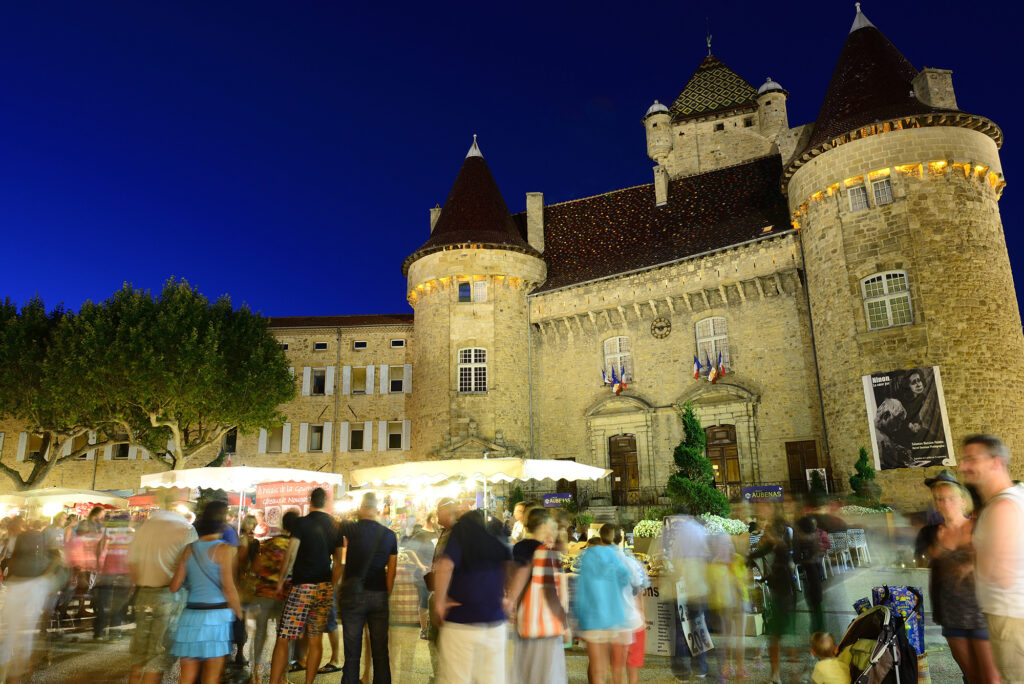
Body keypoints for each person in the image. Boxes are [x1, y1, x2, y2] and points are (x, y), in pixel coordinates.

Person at [914, 469, 999, 682]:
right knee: (971, 677)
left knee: (992, 679)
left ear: (963, 500)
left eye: (950, 498)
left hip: (983, 613)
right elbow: (920, 561)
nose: (945, 503)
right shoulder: (929, 533)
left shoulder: (980, 526)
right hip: (950, 614)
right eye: (939, 499)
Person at [958, 434, 1024, 682]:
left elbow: (1002, 576)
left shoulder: (1002, 508)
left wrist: (972, 560)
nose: (963, 467)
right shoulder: (1013, 497)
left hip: (1011, 619)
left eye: (971, 459)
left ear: (996, 462)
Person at [268, 487, 344, 684]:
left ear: (310, 501)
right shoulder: (335, 526)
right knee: (315, 637)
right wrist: (331, 585)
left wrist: (280, 582)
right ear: (326, 502)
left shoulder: (301, 523)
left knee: (284, 636)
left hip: (302, 586)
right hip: (323, 587)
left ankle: (274, 682)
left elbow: (291, 554)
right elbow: (339, 562)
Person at [432, 509, 512, 684]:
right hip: (495, 622)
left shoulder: (462, 531)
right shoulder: (498, 534)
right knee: (492, 679)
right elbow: (511, 566)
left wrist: (440, 601)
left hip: (461, 621)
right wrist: (509, 596)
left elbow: (445, 566)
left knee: (457, 678)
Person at [170, 500, 244, 684]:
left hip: (190, 618)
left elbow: (174, 586)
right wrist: (239, 612)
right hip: (216, 618)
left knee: (186, 677)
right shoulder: (224, 549)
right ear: (221, 522)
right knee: (211, 677)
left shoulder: (189, 549)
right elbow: (228, 587)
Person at [128, 491, 197, 684]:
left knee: (139, 656)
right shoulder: (185, 529)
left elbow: (132, 564)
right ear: (179, 505)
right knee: (159, 657)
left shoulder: (144, 528)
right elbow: (192, 567)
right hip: (170, 595)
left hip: (143, 594)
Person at [338, 492, 398, 684]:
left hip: (353, 595)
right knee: (380, 651)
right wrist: (385, 593)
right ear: (377, 509)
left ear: (362, 507)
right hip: (379, 593)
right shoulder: (389, 535)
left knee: (352, 652)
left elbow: (339, 556)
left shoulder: (351, 528)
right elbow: (392, 571)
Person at [506, 508, 568, 684]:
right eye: (550, 522)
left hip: (524, 615)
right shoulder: (544, 551)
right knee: (546, 672)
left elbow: (513, 578)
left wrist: (513, 604)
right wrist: (563, 620)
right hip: (545, 618)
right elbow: (550, 590)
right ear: (543, 525)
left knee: (524, 670)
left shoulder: (519, 547)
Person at [0, 515, 62, 683]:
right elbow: (57, 556)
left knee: (13, 632)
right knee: (23, 633)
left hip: (21, 585)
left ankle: (14, 672)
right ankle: (20, 671)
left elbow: (12, 560)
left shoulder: (26, 537)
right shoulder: (36, 536)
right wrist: (45, 575)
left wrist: (11, 577)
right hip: (32, 586)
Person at [574, 522, 631, 684]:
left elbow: (582, 589)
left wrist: (579, 617)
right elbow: (625, 576)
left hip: (592, 618)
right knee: (610, 667)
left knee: (597, 669)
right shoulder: (613, 554)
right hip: (612, 616)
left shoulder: (587, 556)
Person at [247, 509, 299, 684]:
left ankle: (257, 674)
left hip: (264, 592)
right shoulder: (297, 546)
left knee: (260, 634)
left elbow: (256, 567)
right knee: (285, 637)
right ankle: (283, 676)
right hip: (287, 595)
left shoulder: (269, 543)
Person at [749, 502, 798, 684]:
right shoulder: (778, 536)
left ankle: (785, 676)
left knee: (780, 638)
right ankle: (780, 676)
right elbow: (763, 551)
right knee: (779, 637)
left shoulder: (781, 535)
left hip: (784, 590)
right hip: (780, 588)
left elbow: (776, 551)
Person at [662, 510, 711, 681]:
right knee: (698, 626)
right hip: (698, 586)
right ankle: (700, 668)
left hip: (680, 587)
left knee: (677, 630)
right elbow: (707, 557)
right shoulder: (699, 530)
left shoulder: (674, 533)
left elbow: (668, 559)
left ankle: (681, 671)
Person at [94, 522, 134, 640]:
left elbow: (97, 553)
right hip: (124, 575)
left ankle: (99, 632)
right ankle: (114, 633)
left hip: (106, 574)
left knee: (103, 605)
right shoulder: (131, 535)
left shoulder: (106, 534)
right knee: (119, 606)